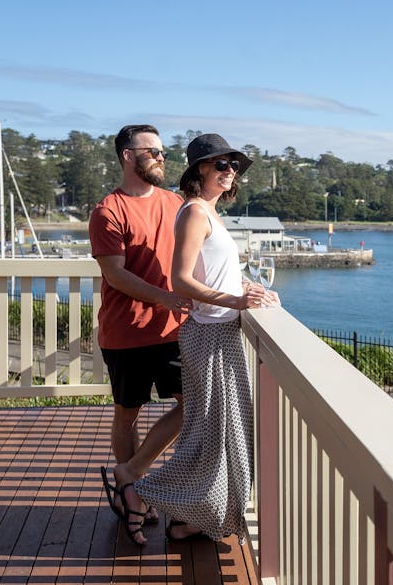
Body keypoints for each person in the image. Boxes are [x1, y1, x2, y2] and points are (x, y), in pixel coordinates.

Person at [114, 134, 278, 545]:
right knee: (210, 434)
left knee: (222, 433)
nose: (229, 171)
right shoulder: (194, 213)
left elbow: (211, 272)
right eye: (220, 164)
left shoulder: (212, 213)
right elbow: (180, 279)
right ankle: (138, 483)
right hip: (207, 334)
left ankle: (194, 517)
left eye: (233, 165)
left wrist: (252, 289)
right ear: (199, 170)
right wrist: (236, 299)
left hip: (222, 330)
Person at [91, 125, 192, 526]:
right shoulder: (108, 210)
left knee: (191, 406)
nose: (161, 158)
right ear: (128, 156)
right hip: (126, 332)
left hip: (174, 331)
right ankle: (131, 492)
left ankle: (129, 473)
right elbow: (115, 275)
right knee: (126, 414)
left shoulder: (175, 203)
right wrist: (164, 297)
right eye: (152, 151)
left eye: (163, 152)